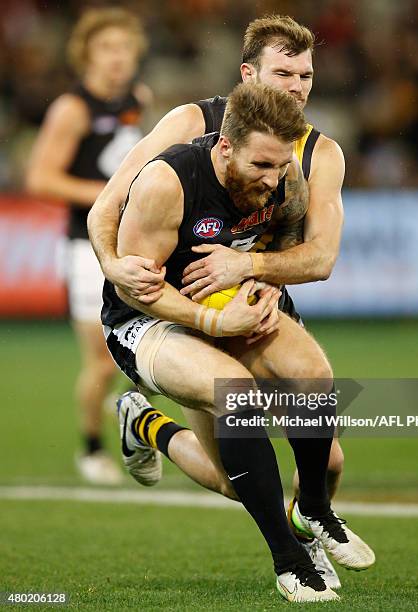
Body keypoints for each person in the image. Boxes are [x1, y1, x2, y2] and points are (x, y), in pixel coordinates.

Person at [88, 15, 349, 584]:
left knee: (325, 459)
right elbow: (109, 204)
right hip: (169, 308)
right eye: (284, 72)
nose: (298, 87)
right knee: (242, 448)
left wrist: (253, 271)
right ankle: (289, 554)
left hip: (242, 296)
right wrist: (114, 268)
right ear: (248, 74)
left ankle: (311, 518)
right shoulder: (190, 125)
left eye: (306, 74)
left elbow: (318, 257)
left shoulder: (316, 155)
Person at [26, 8, 151, 484]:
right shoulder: (72, 109)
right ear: (86, 55)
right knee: (99, 362)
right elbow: (40, 177)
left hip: (131, 242)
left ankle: (130, 416)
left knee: (161, 346)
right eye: (107, 48)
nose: (118, 58)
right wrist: (109, 196)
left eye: (125, 48)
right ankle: (92, 450)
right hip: (86, 247)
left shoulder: (138, 98)